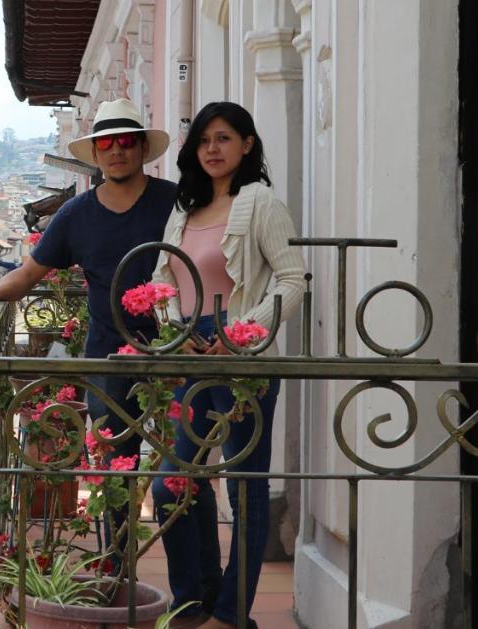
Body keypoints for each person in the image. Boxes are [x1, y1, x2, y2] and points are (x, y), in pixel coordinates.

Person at [0, 98, 178, 548]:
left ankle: (191, 590)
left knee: (181, 472)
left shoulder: (174, 203)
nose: (116, 150)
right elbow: (29, 273)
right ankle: (115, 562)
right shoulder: (76, 214)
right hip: (106, 357)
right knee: (112, 468)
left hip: (176, 352)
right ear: (96, 153)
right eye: (106, 143)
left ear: (141, 148)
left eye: (125, 141)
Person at [148, 102, 305, 629]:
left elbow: (292, 280)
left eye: (223, 138)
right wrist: (174, 330)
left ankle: (232, 613)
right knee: (173, 482)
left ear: (247, 145)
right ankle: (194, 598)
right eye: (203, 141)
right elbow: (161, 280)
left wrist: (244, 335)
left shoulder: (260, 202)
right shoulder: (183, 208)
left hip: (240, 358)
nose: (212, 149)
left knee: (244, 487)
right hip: (189, 350)